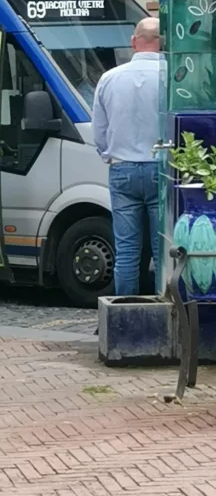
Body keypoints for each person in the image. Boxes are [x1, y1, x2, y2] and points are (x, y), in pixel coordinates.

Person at [92, 17, 162, 296]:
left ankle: (125, 319)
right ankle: (165, 314)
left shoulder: (109, 78)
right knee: (162, 251)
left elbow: (99, 131)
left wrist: (109, 156)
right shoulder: (174, 74)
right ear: (162, 42)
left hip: (122, 170)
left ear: (134, 42)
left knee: (127, 250)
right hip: (161, 167)